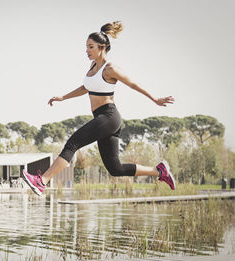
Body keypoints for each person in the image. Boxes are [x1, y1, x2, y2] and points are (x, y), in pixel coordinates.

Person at [23, 21, 175, 196]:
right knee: (115, 168)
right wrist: (63, 97)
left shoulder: (110, 68)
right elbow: (86, 87)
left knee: (72, 144)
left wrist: (155, 99)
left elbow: (133, 84)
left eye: (90, 47)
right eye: (86, 47)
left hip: (109, 116)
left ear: (102, 47)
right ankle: (159, 171)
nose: (87, 50)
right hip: (102, 118)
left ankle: (42, 181)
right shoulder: (93, 66)